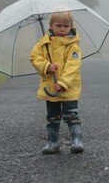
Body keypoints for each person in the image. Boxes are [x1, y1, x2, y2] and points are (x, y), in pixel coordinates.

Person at [29, 11, 84, 154]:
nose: (62, 29)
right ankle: (53, 142)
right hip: (50, 87)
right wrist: (46, 66)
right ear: (51, 26)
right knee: (52, 117)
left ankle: (77, 140)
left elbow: (73, 65)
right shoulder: (43, 44)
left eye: (66, 26)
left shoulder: (73, 45)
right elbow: (34, 57)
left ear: (71, 26)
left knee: (71, 114)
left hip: (68, 88)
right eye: (58, 25)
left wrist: (64, 82)